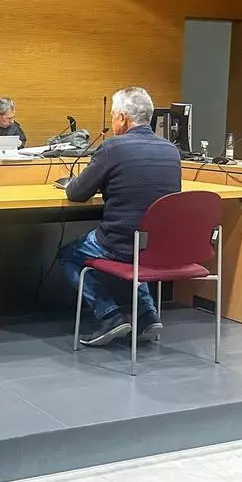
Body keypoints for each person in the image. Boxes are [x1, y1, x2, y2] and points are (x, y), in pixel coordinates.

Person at [59, 86, 181, 346]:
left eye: (113, 116)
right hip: (158, 246)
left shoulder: (112, 147)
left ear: (123, 118)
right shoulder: (171, 150)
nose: (113, 121)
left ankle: (109, 315)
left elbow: (77, 193)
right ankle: (147, 314)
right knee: (140, 247)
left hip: (119, 244)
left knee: (69, 255)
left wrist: (79, 183)